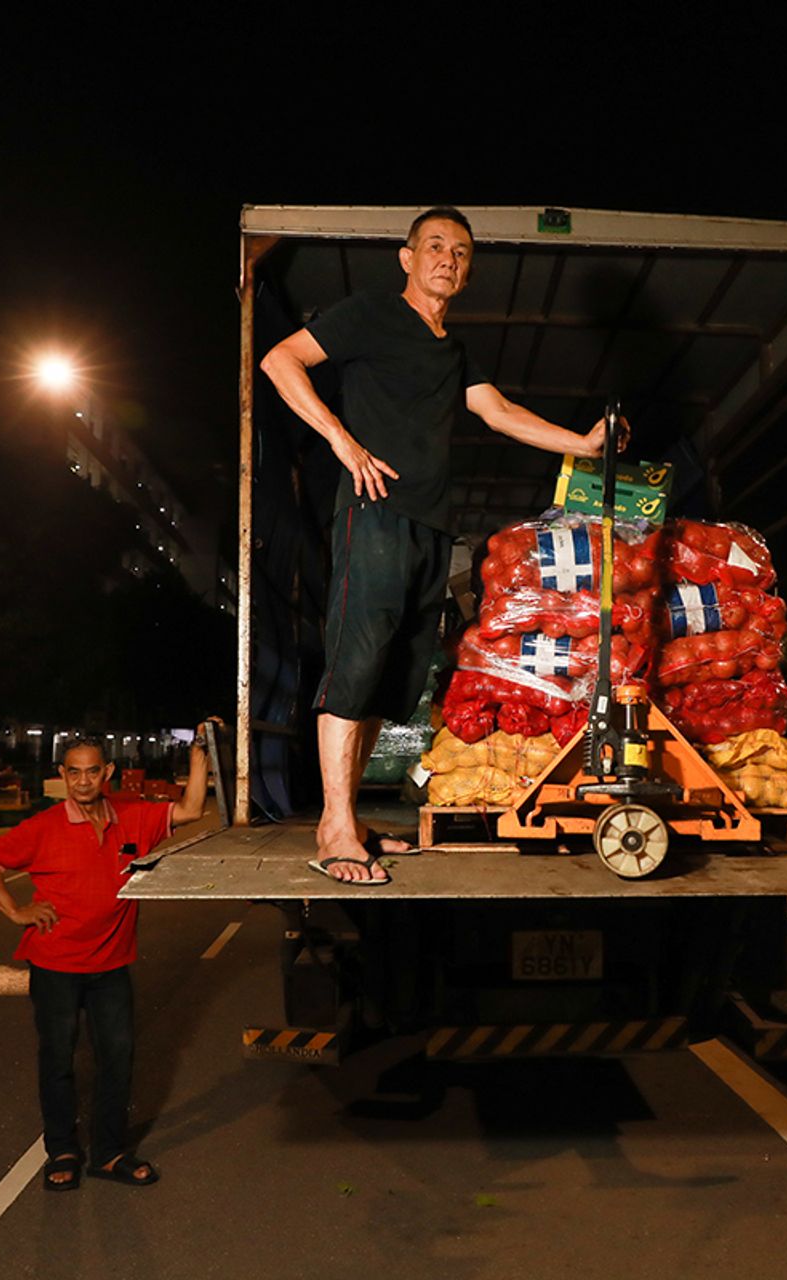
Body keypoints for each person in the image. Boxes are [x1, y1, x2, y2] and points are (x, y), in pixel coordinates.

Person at [260, 206, 620, 885]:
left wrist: (582, 444)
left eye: (459, 251)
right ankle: (335, 825)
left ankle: (354, 820)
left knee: (390, 674)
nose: (446, 258)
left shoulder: (454, 348)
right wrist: (342, 442)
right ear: (406, 257)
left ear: (468, 270)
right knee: (356, 659)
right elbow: (281, 360)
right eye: (434, 245)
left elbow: (498, 412)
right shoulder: (370, 312)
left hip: (430, 526)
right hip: (373, 513)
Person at [0, 737, 208, 1192]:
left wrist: (199, 757)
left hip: (112, 965)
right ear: (63, 775)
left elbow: (192, 810)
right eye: (73, 772)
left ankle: (109, 1153)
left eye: (92, 771)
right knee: (58, 1059)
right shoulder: (43, 826)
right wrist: (15, 911)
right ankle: (62, 1149)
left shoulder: (132, 815)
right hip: (56, 964)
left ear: (107, 774)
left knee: (117, 1058)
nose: (82, 781)